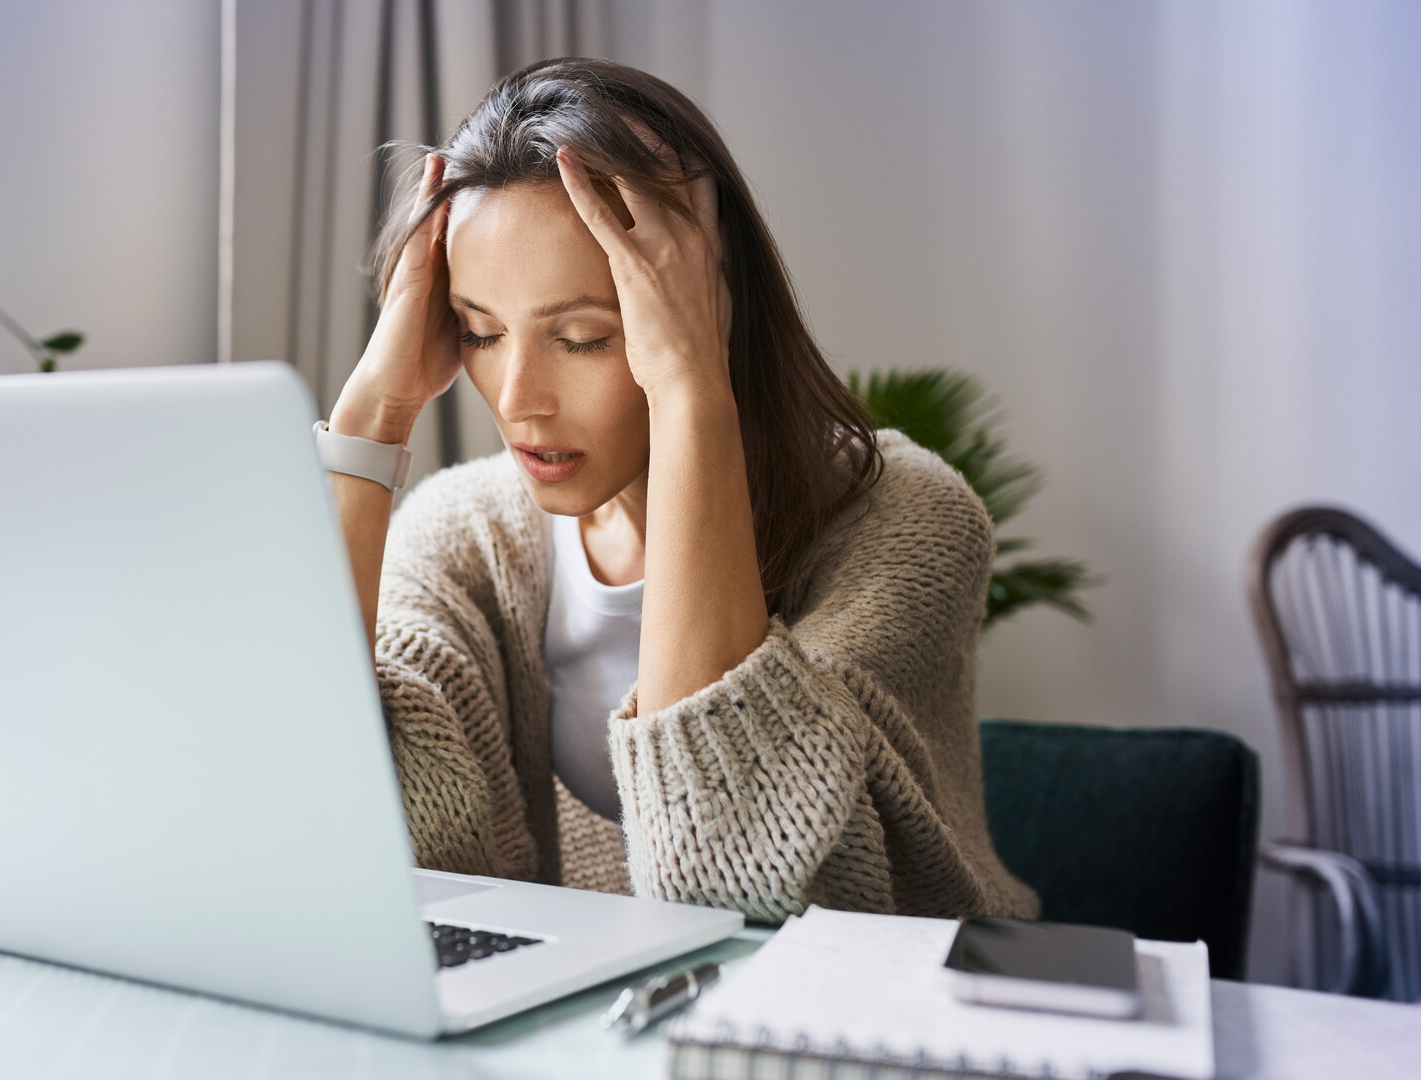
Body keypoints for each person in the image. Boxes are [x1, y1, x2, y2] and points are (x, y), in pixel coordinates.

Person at [322, 57, 1037, 922]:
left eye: (584, 337)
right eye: (479, 333)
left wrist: (694, 393)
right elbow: (322, 808)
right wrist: (374, 413)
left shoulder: (907, 521)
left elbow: (744, 882)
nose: (517, 401)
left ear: (709, 306)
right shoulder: (463, 534)